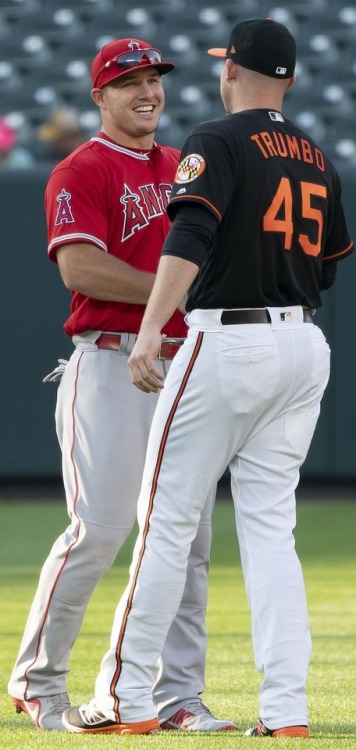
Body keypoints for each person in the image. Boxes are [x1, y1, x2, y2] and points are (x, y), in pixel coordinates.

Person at [61, 17, 354, 737]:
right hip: (303, 342)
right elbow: (328, 265)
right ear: (288, 77)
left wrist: (153, 331)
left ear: (232, 72)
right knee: (270, 534)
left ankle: (126, 701)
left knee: (164, 526)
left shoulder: (216, 140)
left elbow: (187, 237)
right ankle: (287, 711)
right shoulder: (317, 154)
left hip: (226, 343)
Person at [8, 37, 237, 734]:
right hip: (109, 362)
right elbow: (82, 271)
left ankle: (175, 697)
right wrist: (176, 297)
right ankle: (39, 683)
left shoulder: (181, 166)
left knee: (187, 544)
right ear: (99, 96)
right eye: (129, 81)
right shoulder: (81, 169)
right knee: (100, 532)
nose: (147, 92)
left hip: (182, 369)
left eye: (155, 79)